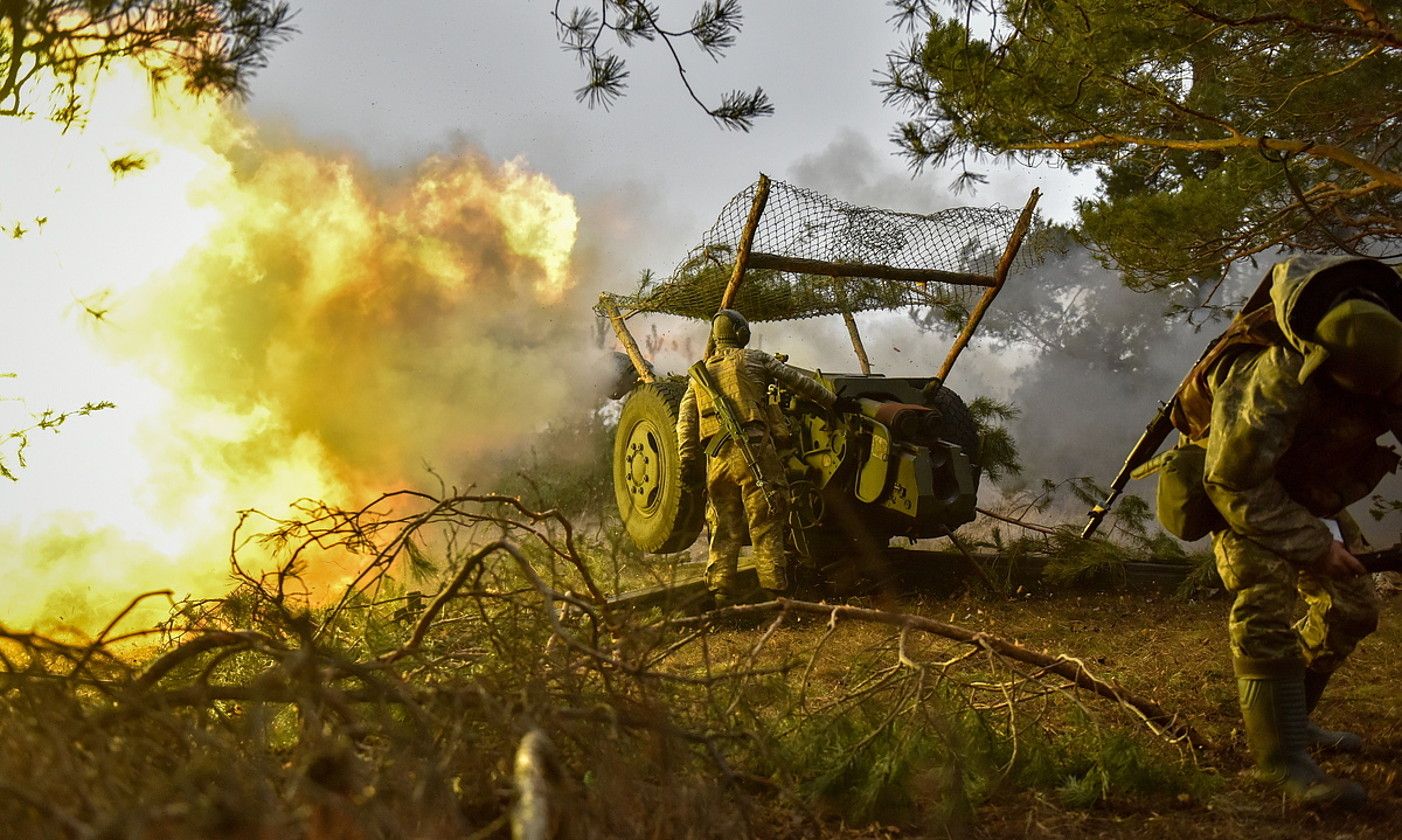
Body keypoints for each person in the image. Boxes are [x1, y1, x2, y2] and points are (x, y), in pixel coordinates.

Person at [1197, 254, 1402, 809]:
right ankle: (1279, 761)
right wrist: (1315, 548)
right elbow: (1233, 481)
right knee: (1264, 598)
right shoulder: (1271, 377)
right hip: (1247, 486)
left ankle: (1293, 722)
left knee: (1355, 608)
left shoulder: (1388, 352)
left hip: (1310, 485)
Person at [676, 309, 836, 605]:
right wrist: (832, 400)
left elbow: (685, 422)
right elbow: (799, 382)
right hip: (756, 452)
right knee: (766, 518)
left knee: (723, 525)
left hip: (717, 459)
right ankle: (774, 593)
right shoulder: (755, 358)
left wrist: (687, 458)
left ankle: (721, 590)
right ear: (740, 333)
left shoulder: (698, 375)